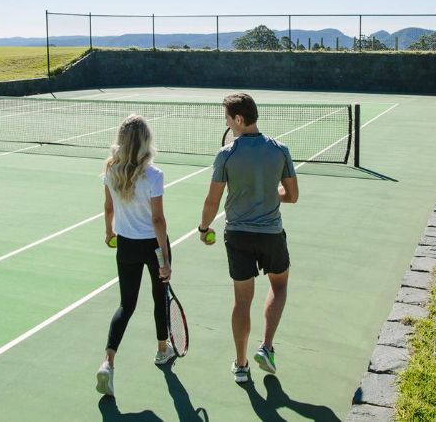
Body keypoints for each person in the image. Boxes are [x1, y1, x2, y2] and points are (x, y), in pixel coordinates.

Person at [198, 92, 299, 384]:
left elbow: (212, 200)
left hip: (237, 236)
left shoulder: (226, 154)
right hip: (271, 235)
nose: (226, 124)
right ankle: (266, 347)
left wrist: (204, 228)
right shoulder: (280, 150)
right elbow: (292, 195)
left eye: (228, 119)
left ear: (239, 119)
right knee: (279, 286)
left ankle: (241, 365)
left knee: (242, 301)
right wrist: (270, 193)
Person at [96, 114, 174, 397]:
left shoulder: (110, 170)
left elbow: (108, 208)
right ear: (145, 141)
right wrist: (165, 259)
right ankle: (162, 350)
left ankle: (108, 362)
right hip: (153, 247)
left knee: (126, 305)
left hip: (126, 245)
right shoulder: (154, 175)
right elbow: (158, 220)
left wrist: (109, 232)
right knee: (159, 297)